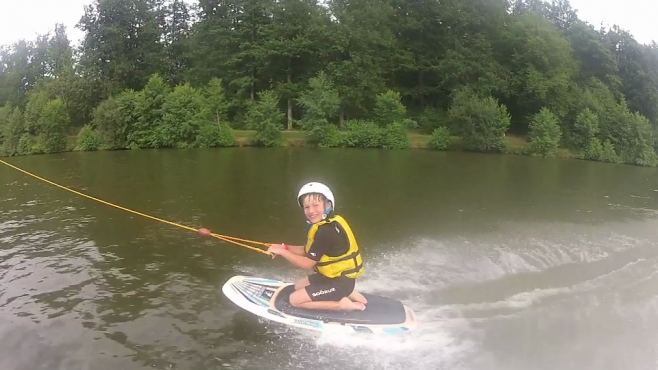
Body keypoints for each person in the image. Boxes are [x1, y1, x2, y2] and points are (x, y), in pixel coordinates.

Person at [267, 182, 368, 311]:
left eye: (316, 205)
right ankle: (349, 292)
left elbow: (307, 264)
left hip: (338, 282)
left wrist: (283, 253)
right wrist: (284, 247)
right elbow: (306, 250)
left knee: (294, 299)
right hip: (334, 278)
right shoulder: (330, 223)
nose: (311, 211)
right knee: (299, 286)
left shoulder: (325, 231)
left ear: (328, 205)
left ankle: (343, 305)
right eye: (306, 207)